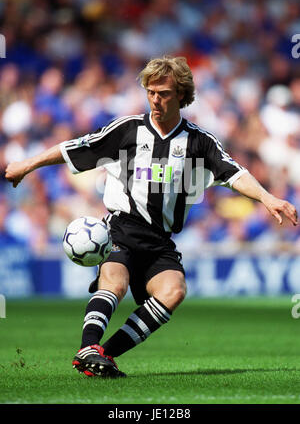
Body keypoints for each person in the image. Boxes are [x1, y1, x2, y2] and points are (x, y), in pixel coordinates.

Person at [5, 56, 298, 378]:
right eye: (151, 92)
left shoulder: (199, 142)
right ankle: (87, 346)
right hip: (121, 229)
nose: (156, 100)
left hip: (160, 241)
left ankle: (102, 355)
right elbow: (76, 148)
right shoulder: (128, 131)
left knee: (174, 291)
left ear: (182, 95)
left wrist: (268, 197)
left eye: (165, 93)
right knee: (114, 284)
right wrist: (27, 164)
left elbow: (234, 173)